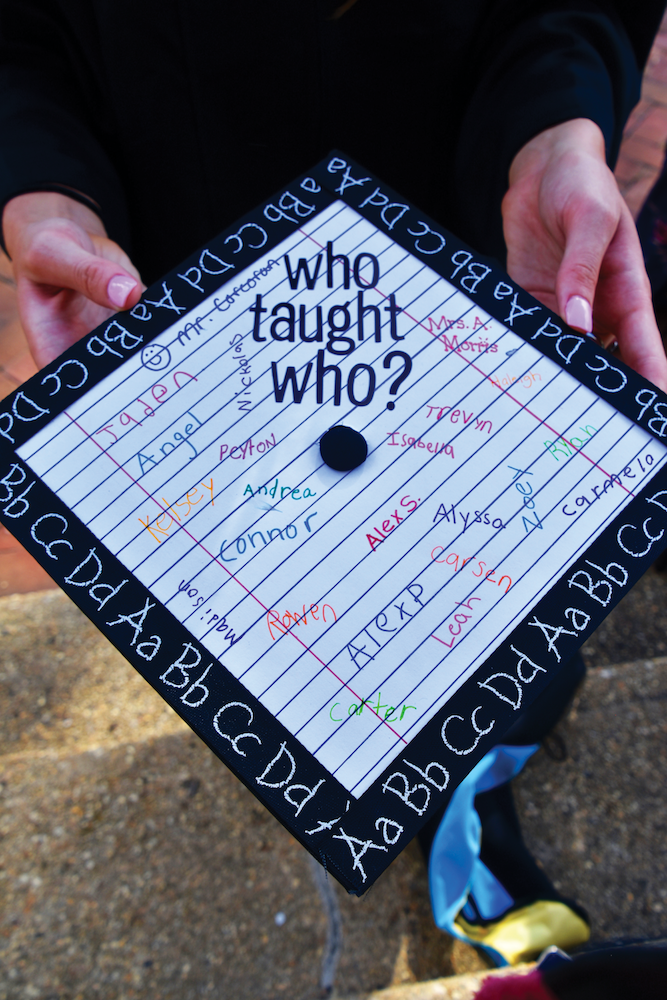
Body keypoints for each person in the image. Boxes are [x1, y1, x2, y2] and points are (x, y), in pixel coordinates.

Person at [1, 0, 666, 967]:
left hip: (466, 285)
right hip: (185, 307)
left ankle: (474, 772)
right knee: (260, 647)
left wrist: (554, 123)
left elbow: (574, 1)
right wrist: (43, 178)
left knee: (492, 634)